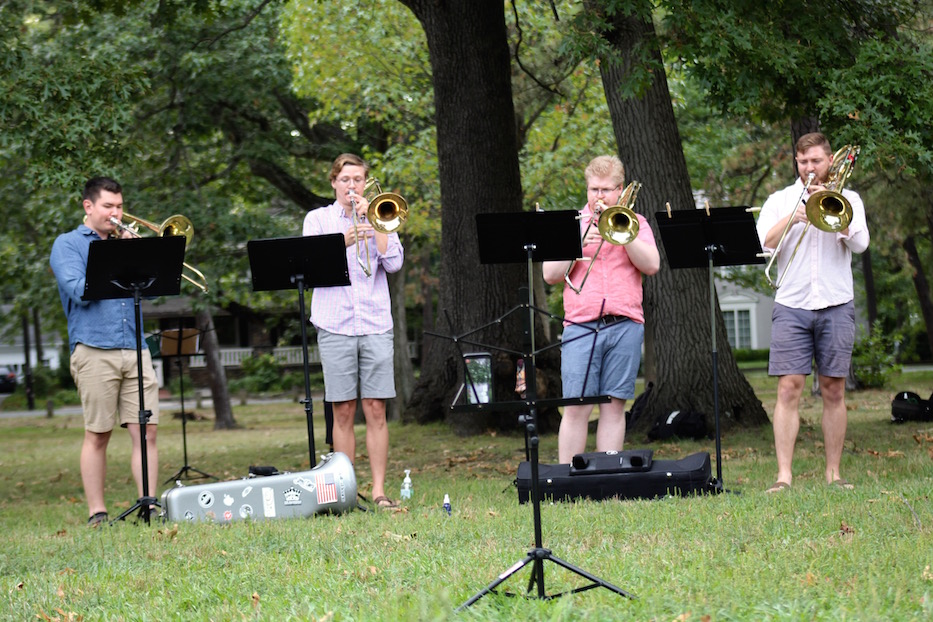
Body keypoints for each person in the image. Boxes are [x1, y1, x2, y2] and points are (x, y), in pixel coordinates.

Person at [756, 132, 869, 493]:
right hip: (792, 302)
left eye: (816, 161)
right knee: (789, 390)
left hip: (836, 302)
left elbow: (861, 243)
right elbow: (762, 242)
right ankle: (784, 476)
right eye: (803, 162)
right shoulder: (780, 199)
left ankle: (834, 474)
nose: (809, 168)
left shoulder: (848, 198)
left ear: (830, 160)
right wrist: (797, 216)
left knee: (834, 389)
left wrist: (835, 214)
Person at [49, 176, 160, 526]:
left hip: (136, 345)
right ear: (88, 206)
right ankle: (97, 512)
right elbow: (80, 289)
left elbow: (154, 291)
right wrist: (118, 254)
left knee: (147, 430)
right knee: (98, 433)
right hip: (94, 348)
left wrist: (136, 254)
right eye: (109, 207)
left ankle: (149, 505)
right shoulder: (68, 244)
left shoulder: (123, 241)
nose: (116, 214)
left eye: (120, 206)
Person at [542, 155, 660, 464]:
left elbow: (652, 265)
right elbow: (550, 275)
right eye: (593, 189)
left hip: (625, 323)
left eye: (606, 190)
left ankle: (608, 477)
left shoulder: (637, 223)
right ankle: (568, 480)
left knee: (613, 405)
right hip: (581, 325)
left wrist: (624, 235)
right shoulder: (571, 225)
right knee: (576, 406)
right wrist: (578, 245)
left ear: (620, 190)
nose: (599, 197)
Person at [303, 154, 404, 508]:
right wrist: (342, 242)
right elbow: (309, 268)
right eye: (345, 179)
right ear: (333, 182)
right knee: (343, 409)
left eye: (358, 179)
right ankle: (345, 492)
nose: (352, 186)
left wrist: (374, 223)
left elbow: (393, 264)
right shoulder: (317, 220)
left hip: (375, 322)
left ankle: (378, 491)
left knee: (375, 408)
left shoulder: (380, 214)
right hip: (335, 323)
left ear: (366, 183)